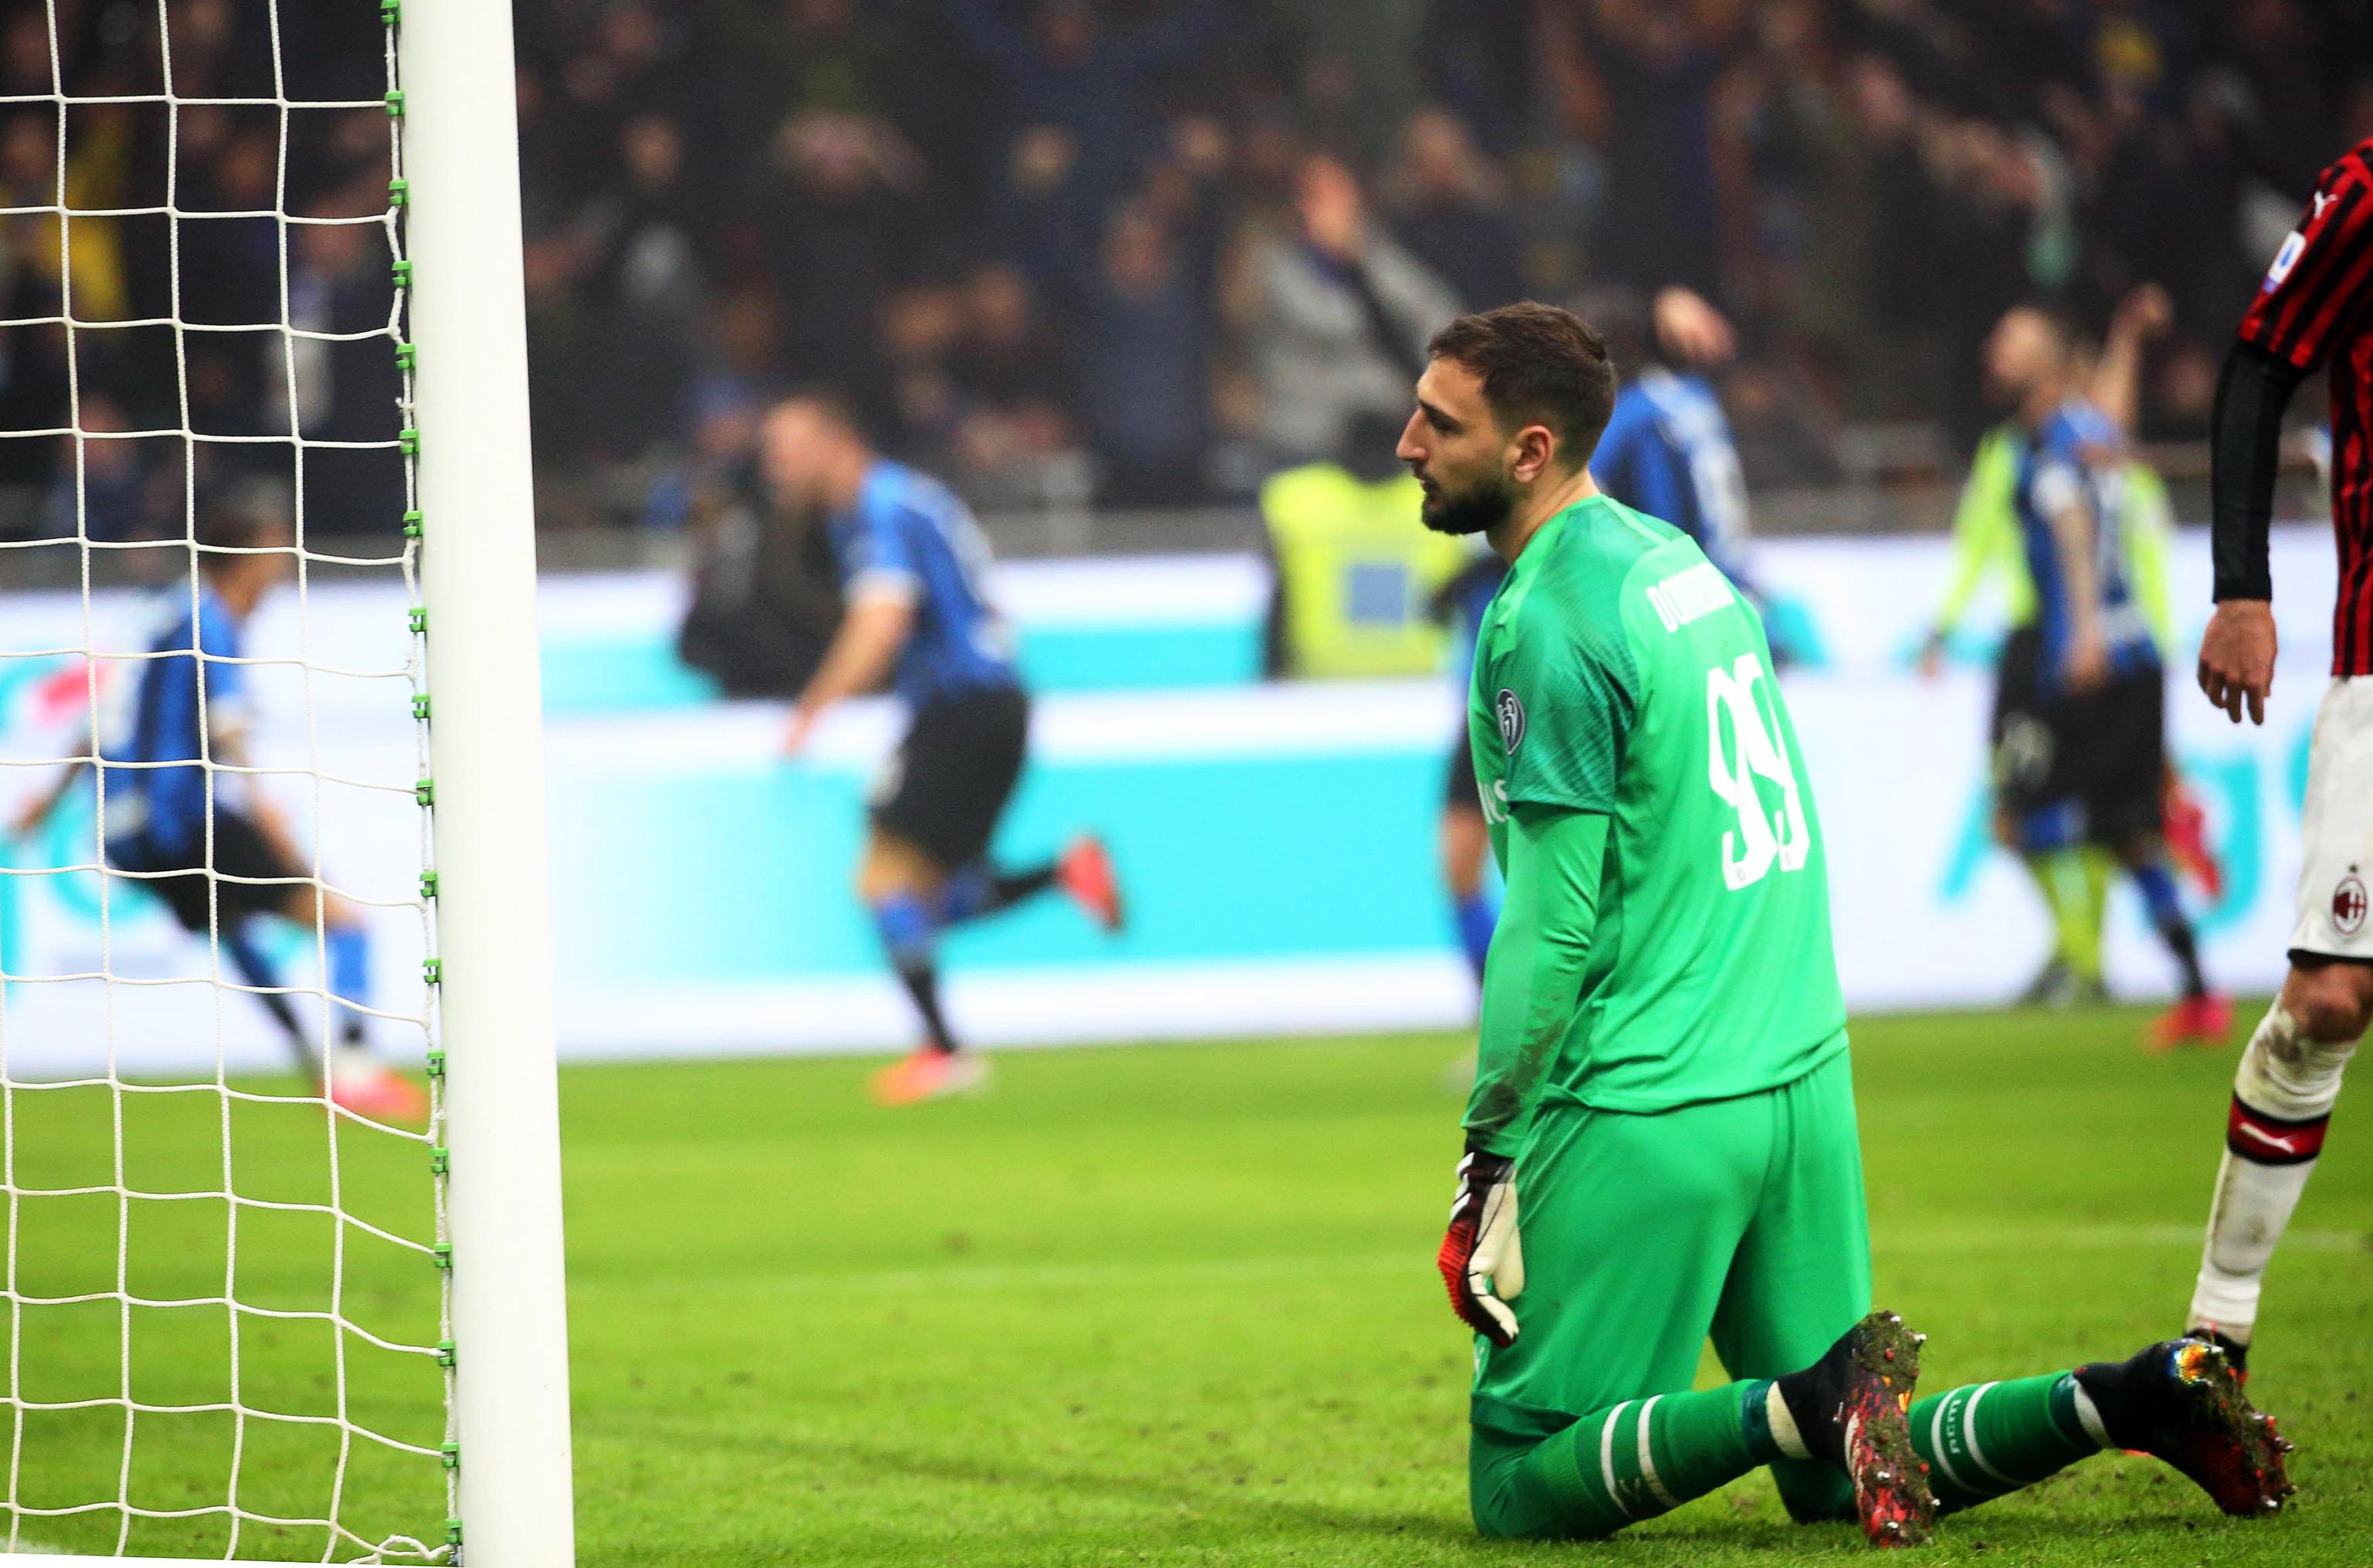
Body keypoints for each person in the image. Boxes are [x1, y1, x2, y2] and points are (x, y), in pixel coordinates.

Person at [1400, 302, 2290, 1543]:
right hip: (1800, 1075)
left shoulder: (1543, 619)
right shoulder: (1675, 563)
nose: (1408, 441)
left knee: (1517, 1478)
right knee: (1838, 1464)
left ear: (1532, 448)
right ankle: (2130, 1395)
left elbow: (1548, 927)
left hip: (1654, 1089)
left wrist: (1488, 1143)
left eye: (1441, 421)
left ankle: (1808, 1399)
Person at [8, 493, 425, 1122]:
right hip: (180, 815)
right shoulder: (211, 618)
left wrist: (49, 798)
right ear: (250, 554)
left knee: (232, 927)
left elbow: (99, 718)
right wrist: (265, 813)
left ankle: (314, 1065)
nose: (284, 568)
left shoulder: (157, 610)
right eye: (277, 551)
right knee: (343, 922)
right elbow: (227, 728)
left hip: (121, 835)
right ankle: (355, 1069)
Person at [761, 396, 1124, 1105]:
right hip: (994, 704)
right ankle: (1064, 874)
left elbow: (884, 618)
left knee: (882, 881)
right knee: (921, 896)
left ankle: (943, 1051)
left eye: (789, 448)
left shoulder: (878, 507)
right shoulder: (905, 498)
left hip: (960, 708)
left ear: (837, 442)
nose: (777, 466)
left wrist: (812, 710)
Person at [2188, 134, 2373, 1373]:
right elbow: (2262, 363)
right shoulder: (2367, 192)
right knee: (2328, 1001)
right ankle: (2216, 1337)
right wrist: (2244, 588)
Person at [1983, 304, 2229, 1048]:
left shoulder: (2052, 443)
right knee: (2127, 837)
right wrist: (2124, 337)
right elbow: (2115, 426)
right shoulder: (2086, 432)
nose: (1996, 351)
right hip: (2133, 658)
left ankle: (2166, 814)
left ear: (2049, 366)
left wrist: (2082, 634)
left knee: (2020, 820)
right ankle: (2198, 995)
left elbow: (2071, 529)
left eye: (2013, 342)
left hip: (2094, 662)